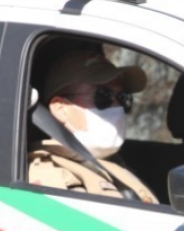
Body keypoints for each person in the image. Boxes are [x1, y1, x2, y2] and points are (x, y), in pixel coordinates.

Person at [28, 50, 158, 204]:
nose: (117, 107)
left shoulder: (114, 165)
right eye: (103, 96)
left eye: (123, 98)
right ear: (61, 109)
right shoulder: (54, 178)